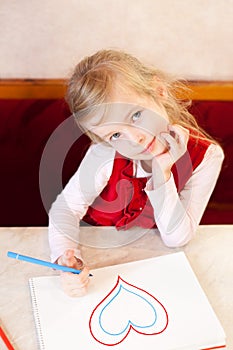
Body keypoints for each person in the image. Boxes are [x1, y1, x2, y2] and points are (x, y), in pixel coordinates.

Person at [48, 49, 224, 297]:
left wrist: (162, 174)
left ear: (159, 91)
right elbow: (66, 209)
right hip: (102, 262)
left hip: (159, 269)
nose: (135, 139)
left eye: (136, 115)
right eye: (116, 134)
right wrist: (66, 259)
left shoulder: (207, 156)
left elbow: (176, 238)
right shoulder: (105, 154)